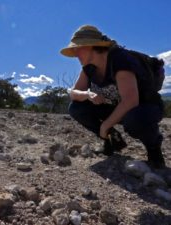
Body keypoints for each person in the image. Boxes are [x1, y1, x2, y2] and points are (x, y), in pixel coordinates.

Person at [60, 25, 166, 169]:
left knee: (135, 119)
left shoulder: (119, 59)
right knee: (76, 108)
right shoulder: (89, 67)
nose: (75, 53)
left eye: (77, 48)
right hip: (118, 107)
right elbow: (73, 93)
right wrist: (87, 94)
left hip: (145, 107)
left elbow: (130, 101)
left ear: (91, 46)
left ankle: (154, 151)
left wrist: (105, 125)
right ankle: (112, 140)